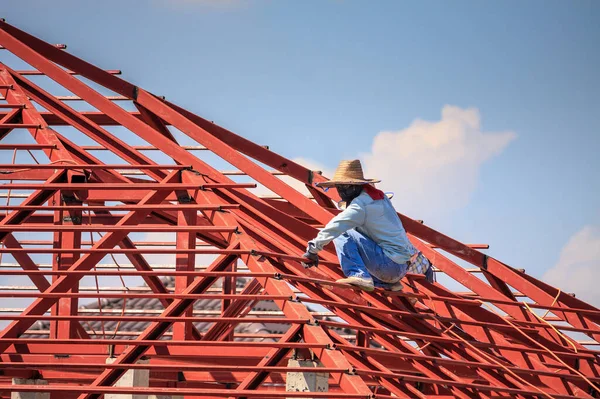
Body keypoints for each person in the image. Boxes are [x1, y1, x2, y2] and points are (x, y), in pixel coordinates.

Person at [302, 159, 435, 292]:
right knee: (358, 231)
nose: (341, 192)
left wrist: (312, 250)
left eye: (345, 187)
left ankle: (358, 275)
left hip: (388, 266)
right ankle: (388, 284)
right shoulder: (380, 198)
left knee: (343, 230)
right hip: (399, 267)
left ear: (355, 186)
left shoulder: (361, 205)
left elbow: (336, 226)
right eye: (339, 187)